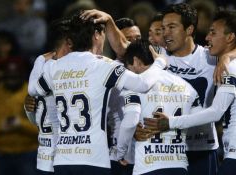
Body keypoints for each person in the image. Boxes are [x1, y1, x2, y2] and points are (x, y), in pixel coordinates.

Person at [28, 12, 167, 175]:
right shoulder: (103, 66)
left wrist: (40, 60)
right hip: (93, 159)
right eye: (103, 34)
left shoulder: (54, 67)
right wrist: (159, 62)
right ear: (96, 35)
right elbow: (143, 84)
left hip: (62, 160)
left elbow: (33, 90)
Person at [144, 8, 236, 175]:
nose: (207, 37)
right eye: (163, 28)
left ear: (188, 30)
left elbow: (215, 112)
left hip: (231, 154)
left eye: (212, 32)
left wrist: (171, 122)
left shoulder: (225, 64)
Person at [117, 39, 201, 175]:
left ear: (136, 61)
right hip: (179, 165)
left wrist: (121, 152)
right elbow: (200, 120)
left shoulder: (134, 86)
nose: (129, 72)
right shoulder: (187, 87)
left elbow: (130, 121)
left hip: (148, 166)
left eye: (128, 66)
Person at [24, 18, 72, 175]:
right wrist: (29, 107)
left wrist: (39, 60)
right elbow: (34, 117)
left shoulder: (42, 65)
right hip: (62, 155)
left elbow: (33, 116)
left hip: (48, 156)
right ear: (68, 42)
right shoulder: (61, 69)